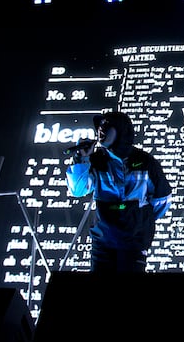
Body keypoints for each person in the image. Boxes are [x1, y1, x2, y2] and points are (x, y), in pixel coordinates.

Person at [65, 111, 172, 273]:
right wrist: (82, 160)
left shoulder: (145, 161)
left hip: (134, 243)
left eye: (107, 127)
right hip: (103, 242)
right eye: (99, 128)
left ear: (121, 131)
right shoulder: (96, 160)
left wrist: (139, 219)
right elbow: (77, 190)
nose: (101, 131)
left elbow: (162, 199)